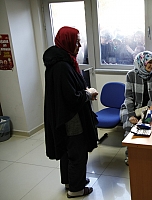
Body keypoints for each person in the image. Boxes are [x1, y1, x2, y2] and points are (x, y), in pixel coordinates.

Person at [43, 26, 99, 198]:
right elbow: (71, 99)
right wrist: (88, 94)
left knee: (68, 151)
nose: (80, 46)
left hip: (65, 117)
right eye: (77, 42)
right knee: (77, 153)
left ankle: (71, 181)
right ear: (67, 42)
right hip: (71, 119)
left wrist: (84, 90)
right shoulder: (62, 66)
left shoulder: (62, 61)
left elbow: (69, 90)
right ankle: (76, 190)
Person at [120, 51, 152, 165]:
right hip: (132, 107)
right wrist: (131, 115)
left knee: (151, 125)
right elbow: (128, 97)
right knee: (131, 127)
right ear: (142, 62)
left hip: (148, 107)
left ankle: (145, 154)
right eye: (149, 62)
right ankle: (130, 155)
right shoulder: (131, 75)